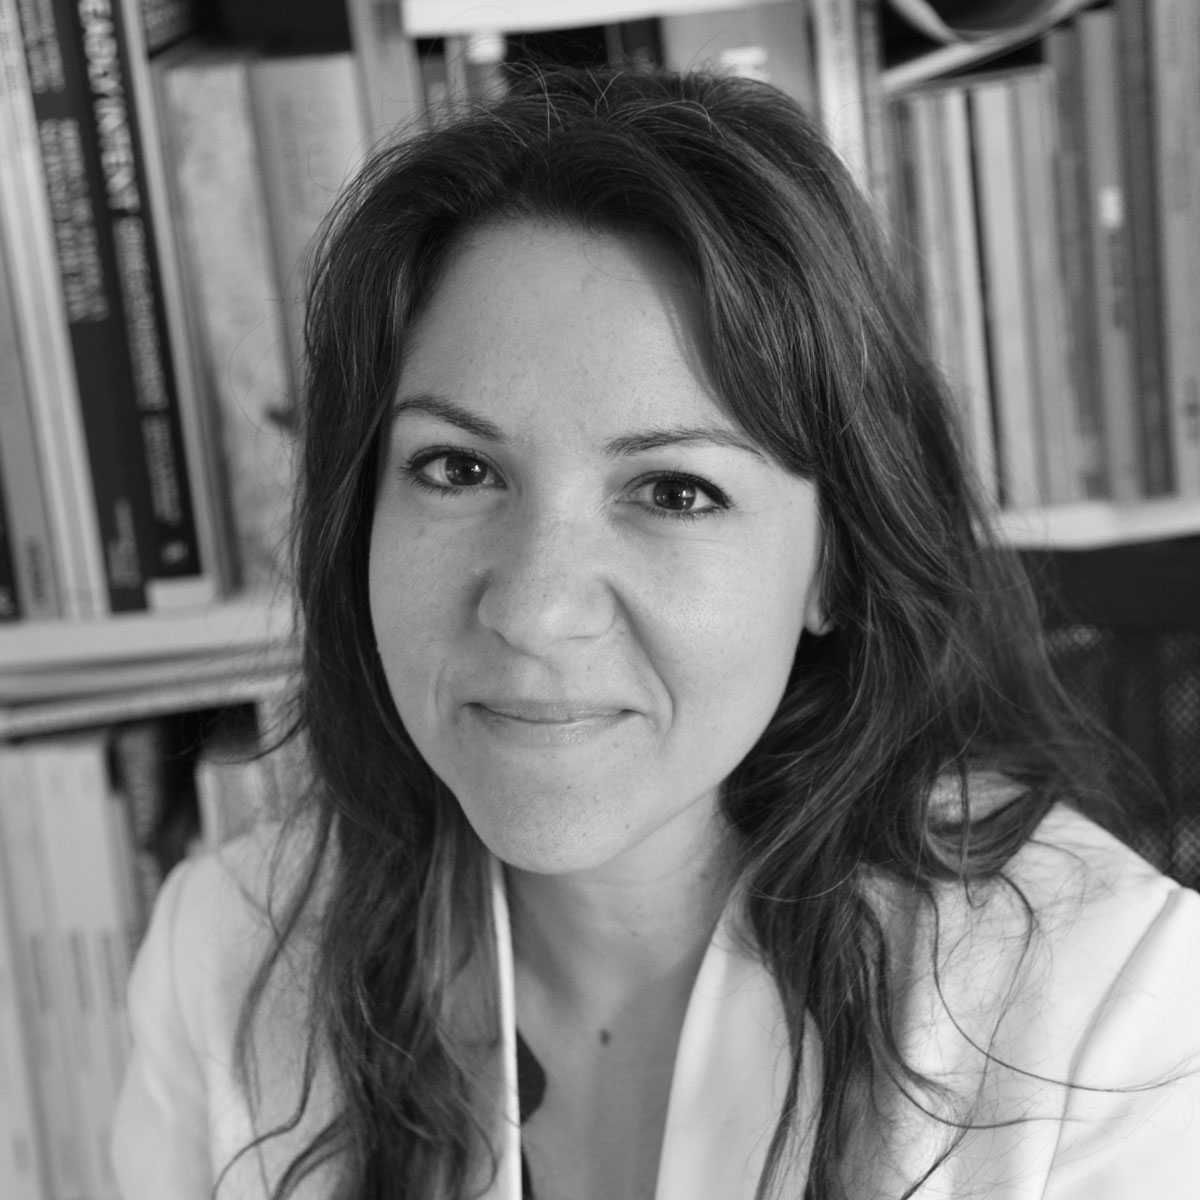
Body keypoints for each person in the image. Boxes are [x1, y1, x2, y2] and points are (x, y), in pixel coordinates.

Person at [112, 66, 1200, 1200]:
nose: (533, 607)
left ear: (835, 559)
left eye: (674, 491)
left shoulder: (1104, 1012)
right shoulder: (225, 960)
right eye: (458, 467)